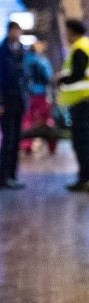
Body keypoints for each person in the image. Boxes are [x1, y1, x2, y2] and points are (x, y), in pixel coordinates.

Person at [0, 21, 28, 189]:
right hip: (6, 101)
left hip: (19, 101)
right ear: (9, 31)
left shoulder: (22, 52)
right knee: (7, 139)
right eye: (14, 31)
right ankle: (2, 178)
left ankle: (12, 175)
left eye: (18, 31)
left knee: (16, 139)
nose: (16, 34)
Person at [58, 19, 89, 192]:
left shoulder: (79, 48)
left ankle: (85, 178)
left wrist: (61, 79)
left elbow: (78, 74)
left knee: (82, 141)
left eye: (66, 31)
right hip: (83, 101)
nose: (65, 35)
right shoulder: (85, 45)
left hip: (82, 101)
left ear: (71, 32)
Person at [21, 39, 56, 156]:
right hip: (42, 94)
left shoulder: (24, 61)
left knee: (28, 120)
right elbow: (48, 76)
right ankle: (52, 144)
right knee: (47, 120)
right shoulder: (42, 60)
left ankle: (26, 145)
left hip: (28, 95)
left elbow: (22, 78)